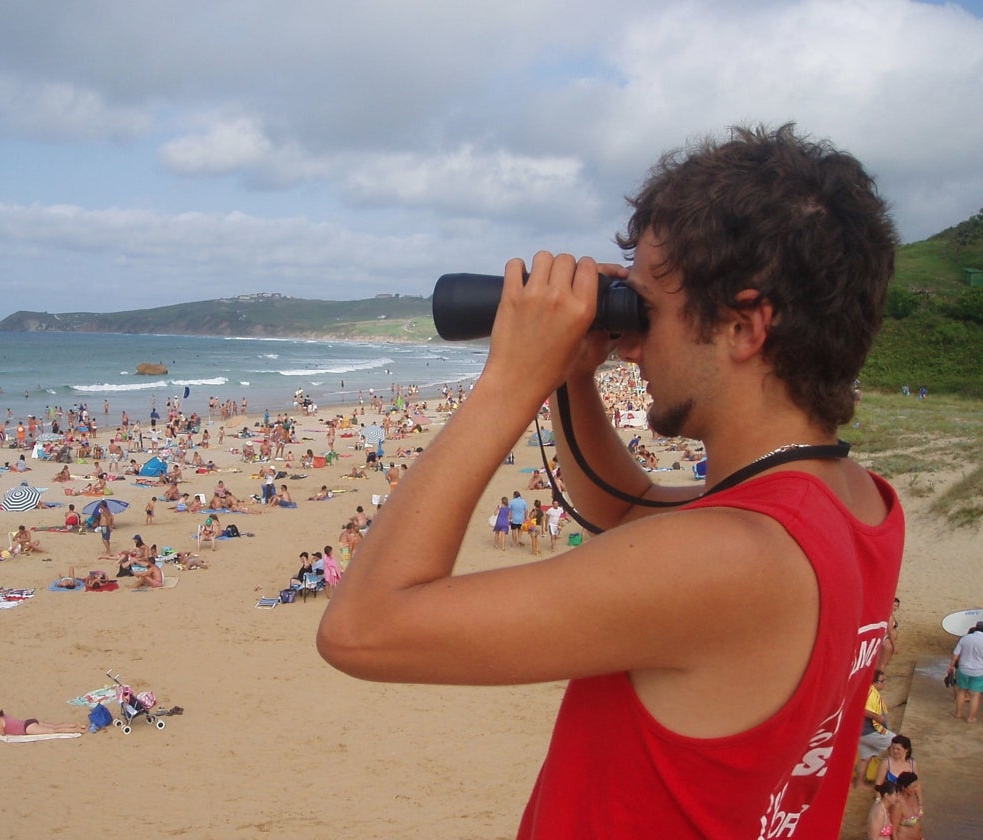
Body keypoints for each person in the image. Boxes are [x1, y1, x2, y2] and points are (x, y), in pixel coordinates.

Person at [316, 124, 904, 836]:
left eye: (645, 307)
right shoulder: (861, 503)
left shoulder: (731, 560)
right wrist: (571, 379)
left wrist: (509, 380)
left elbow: (362, 630)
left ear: (746, 327)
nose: (627, 339)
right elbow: (628, 518)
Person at [856, 670, 896, 788]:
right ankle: (888, 781)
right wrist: (876, 716)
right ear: (874, 682)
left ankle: (859, 783)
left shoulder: (868, 691)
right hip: (870, 731)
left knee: (865, 758)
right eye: (882, 681)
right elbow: (862, 709)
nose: (884, 684)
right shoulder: (870, 693)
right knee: (896, 744)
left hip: (863, 732)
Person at [947, 620, 983, 723]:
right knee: (975, 695)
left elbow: (956, 653)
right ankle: (971, 717)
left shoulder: (965, 638)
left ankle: (958, 713)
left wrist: (951, 665)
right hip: (979, 671)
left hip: (963, 669)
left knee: (961, 691)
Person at [874, 735, 921, 808]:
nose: (895, 751)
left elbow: (917, 785)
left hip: (908, 800)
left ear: (906, 750)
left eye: (898, 749)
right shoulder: (886, 763)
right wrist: (878, 801)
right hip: (891, 801)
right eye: (893, 748)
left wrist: (920, 804)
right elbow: (878, 783)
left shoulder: (913, 764)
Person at [0, 707, 85, 736]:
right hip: (29, 721)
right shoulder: (4, 715)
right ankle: (75, 724)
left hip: (27, 728)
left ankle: (76, 729)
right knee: (54, 726)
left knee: (53, 731)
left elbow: (2, 733)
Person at [892, 772, 923, 839]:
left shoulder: (913, 796)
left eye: (916, 786)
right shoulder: (898, 804)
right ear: (904, 787)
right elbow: (894, 831)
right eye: (913, 787)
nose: (916, 789)